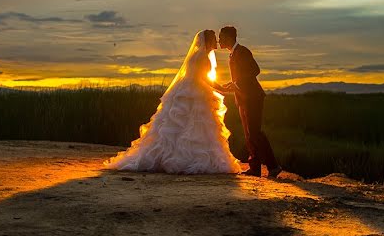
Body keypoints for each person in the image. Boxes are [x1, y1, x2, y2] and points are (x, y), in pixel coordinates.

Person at [103, 29, 241, 174]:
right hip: (196, 94)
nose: (217, 42)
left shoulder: (199, 56)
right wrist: (222, 89)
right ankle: (188, 158)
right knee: (195, 126)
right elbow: (204, 79)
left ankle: (177, 156)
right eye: (214, 39)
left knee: (187, 127)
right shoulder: (202, 58)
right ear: (207, 41)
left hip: (191, 91)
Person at [217, 25, 281, 178]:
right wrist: (233, 85)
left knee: (255, 133)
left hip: (253, 98)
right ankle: (255, 168)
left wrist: (237, 83)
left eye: (221, 37)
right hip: (242, 98)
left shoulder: (242, 51)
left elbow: (255, 70)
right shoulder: (233, 54)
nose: (219, 40)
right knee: (248, 134)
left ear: (229, 37)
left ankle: (274, 166)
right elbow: (241, 76)